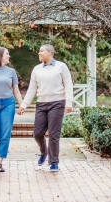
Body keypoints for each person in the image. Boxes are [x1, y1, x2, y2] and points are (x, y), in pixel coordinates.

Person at [17, 44, 73, 172]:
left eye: (41, 51)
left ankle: (54, 162)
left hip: (57, 103)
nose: (39, 53)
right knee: (37, 133)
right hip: (41, 104)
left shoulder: (61, 66)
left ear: (50, 52)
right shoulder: (37, 69)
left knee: (54, 135)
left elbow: (68, 85)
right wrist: (24, 105)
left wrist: (69, 103)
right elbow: (32, 89)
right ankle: (44, 152)